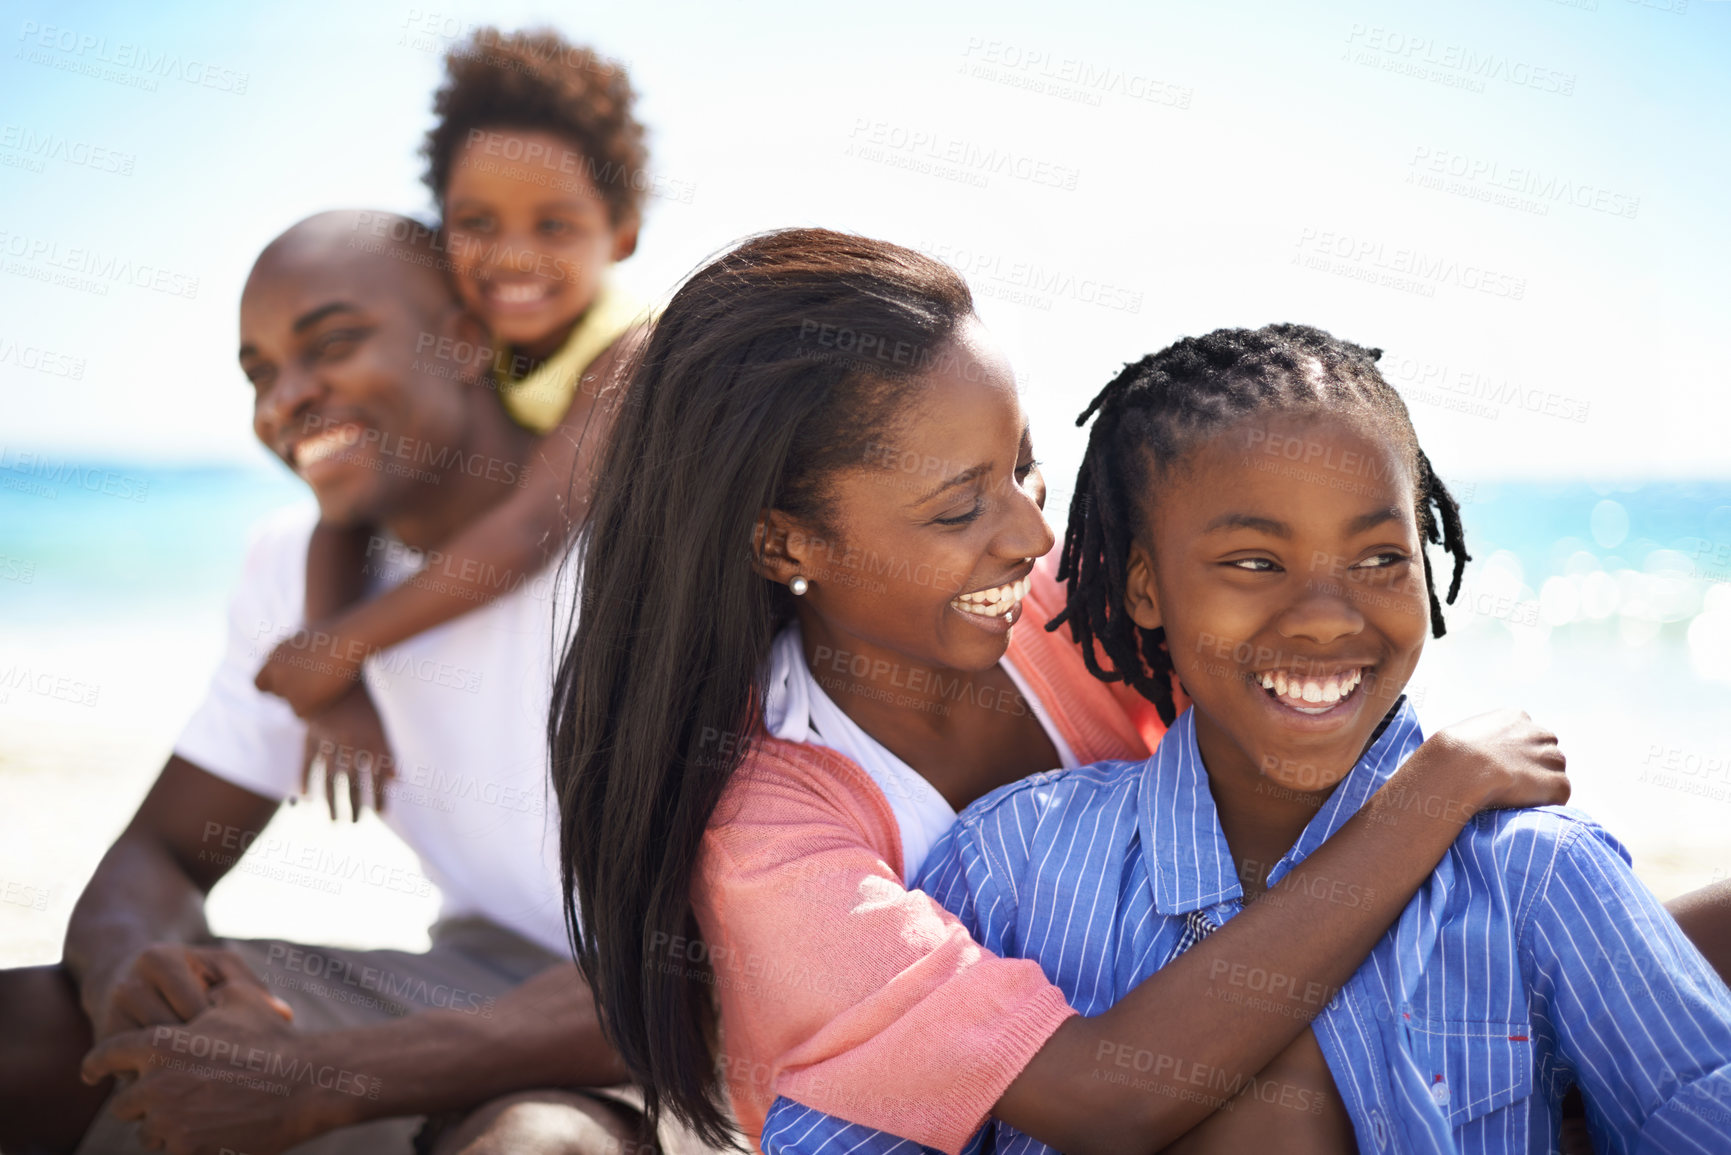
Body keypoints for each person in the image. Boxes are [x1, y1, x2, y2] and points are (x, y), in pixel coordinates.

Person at [550, 229, 1572, 1154]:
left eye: (1025, 472)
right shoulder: (768, 836)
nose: (1034, 537)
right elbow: (1099, 1099)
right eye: (961, 509)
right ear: (787, 540)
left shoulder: (1062, 621)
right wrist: (1430, 798)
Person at [759, 325, 1731, 1154]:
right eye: (1255, 561)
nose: (1324, 616)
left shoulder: (1542, 875)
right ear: (1144, 586)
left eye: (1382, 557)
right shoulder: (1006, 866)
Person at [0, 212, 706, 1155]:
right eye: (258, 373)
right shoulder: (299, 569)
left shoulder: (645, 546)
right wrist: (129, 972)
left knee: (534, 1145)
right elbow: (163, 852)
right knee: (29, 1026)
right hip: (474, 973)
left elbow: (719, 972)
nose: (284, 401)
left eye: (331, 344)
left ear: (461, 341)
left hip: (673, 1024)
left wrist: (317, 1083)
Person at [253, 28, 651, 818]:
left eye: (554, 226)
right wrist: (333, 679)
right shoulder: (461, 335)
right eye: (477, 222)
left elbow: (534, 524)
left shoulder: (631, 349)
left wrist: (342, 646)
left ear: (623, 234)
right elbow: (345, 513)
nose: (512, 257)